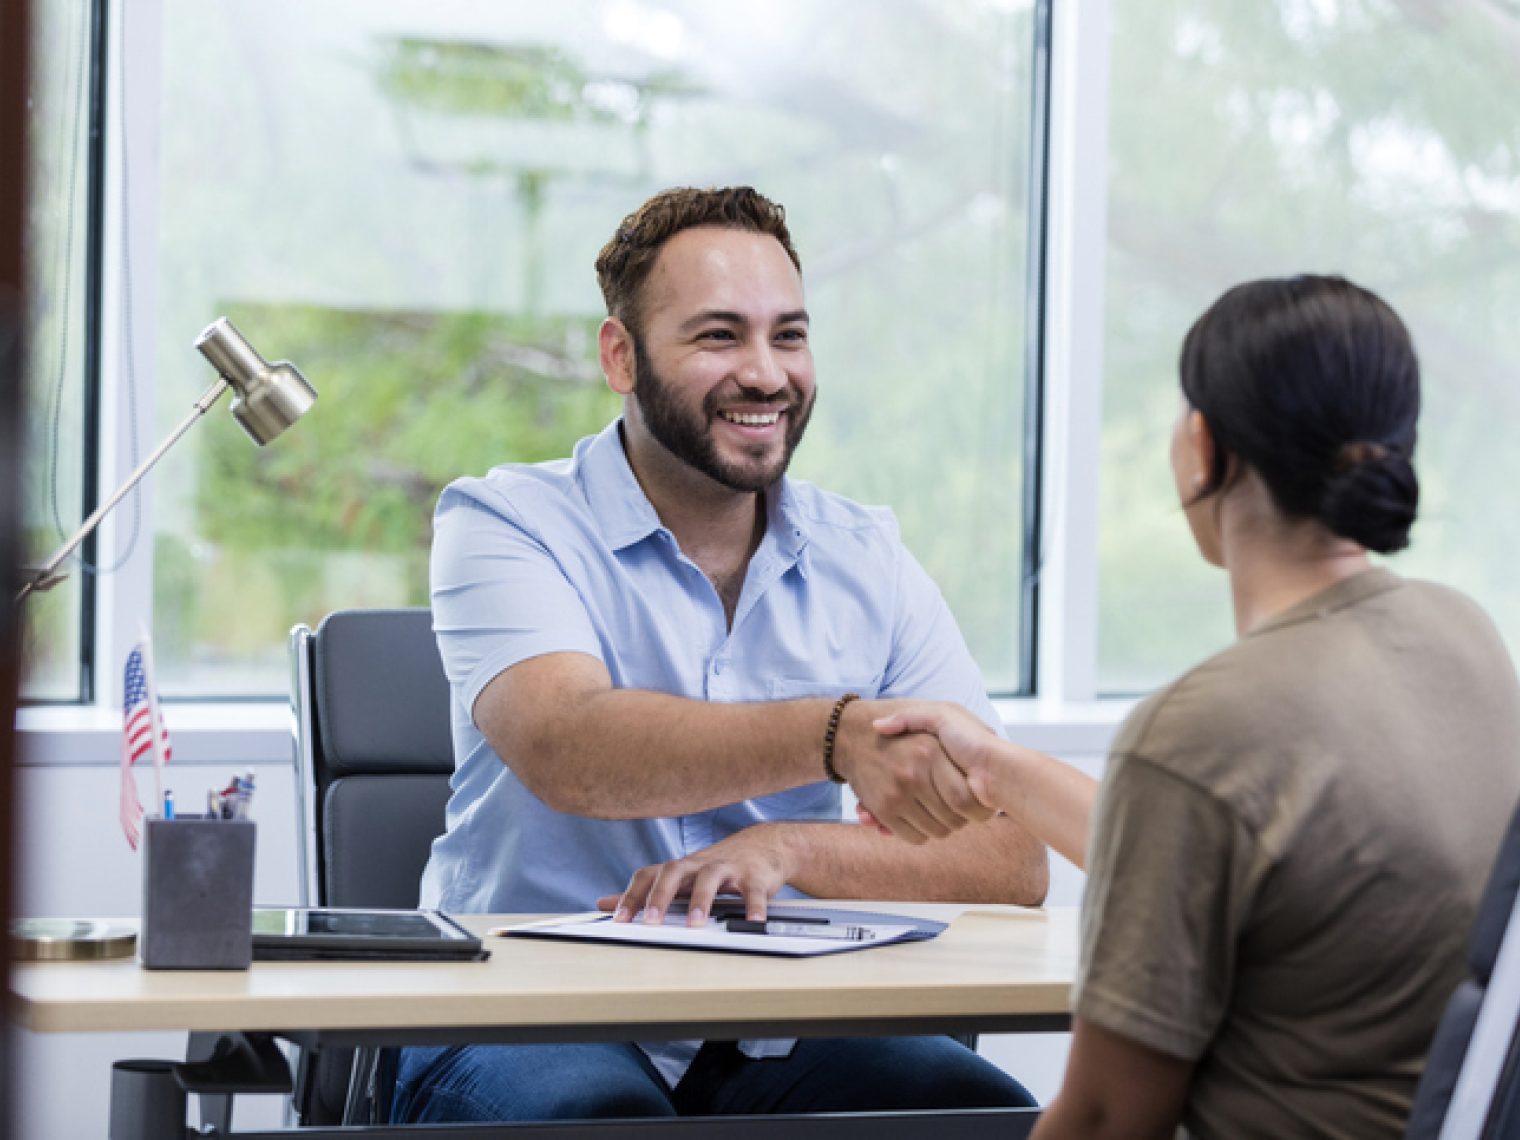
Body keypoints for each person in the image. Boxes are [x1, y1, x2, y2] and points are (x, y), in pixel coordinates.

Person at [390, 186, 1047, 1124]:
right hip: (529, 1015)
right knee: (596, 1119)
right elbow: (569, 747)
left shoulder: (867, 556)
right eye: (718, 337)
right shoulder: (505, 523)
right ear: (621, 356)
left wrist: (786, 847)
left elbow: (1010, 852)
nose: (766, 373)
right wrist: (835, 737)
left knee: (975, 1113)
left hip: (783, 1025)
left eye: (788, 335)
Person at [859, 274, 1520, 1138]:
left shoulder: (1205, 729)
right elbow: (1249, 854)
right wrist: (993, 766)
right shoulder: (1464, 637)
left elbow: (1103, 1121)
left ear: (1204, 449)